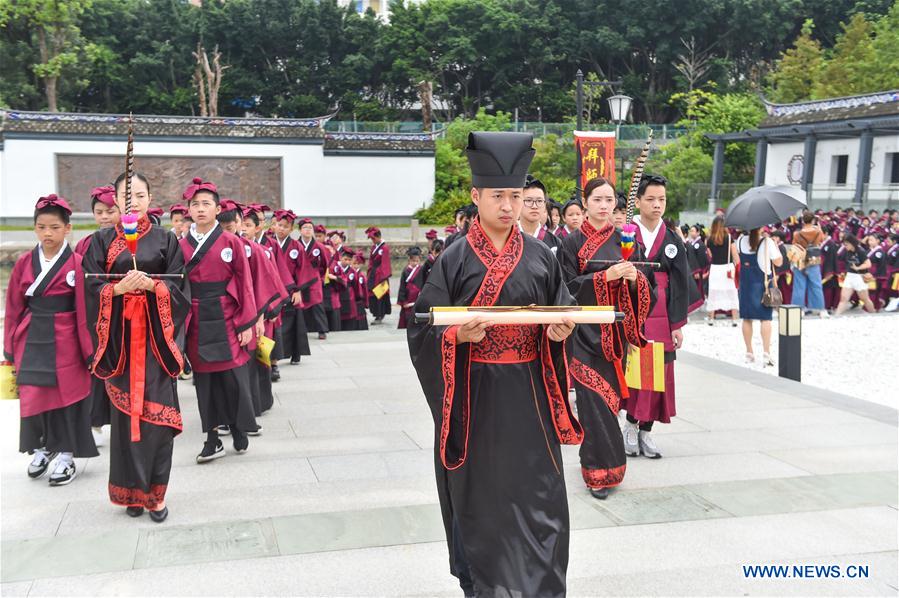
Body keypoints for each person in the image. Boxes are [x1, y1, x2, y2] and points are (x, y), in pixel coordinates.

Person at [408, 131, 580, 597]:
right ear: (476, 196)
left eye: (516, 196)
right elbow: (422, 325)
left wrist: (558, 333)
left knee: (541, 497)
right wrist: (455, 335)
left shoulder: (543, 257)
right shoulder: (453, 259)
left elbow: (559, 313)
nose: (508, 206)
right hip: (475, 397)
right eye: (498, 196)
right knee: (483, 501)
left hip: (529, 397)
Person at [83, 172, 188, 522]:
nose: (134, 202)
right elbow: (90, 287)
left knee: (156, 424)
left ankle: (156, 495)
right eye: (126, 197)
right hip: (121, 347)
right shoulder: (99, 242)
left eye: (140, 195)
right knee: (126, 422)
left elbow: (180, 288)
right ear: (115, 200)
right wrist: (117, 290)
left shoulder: (166, 239)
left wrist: (154, 287)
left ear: (149, 197)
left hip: (156, 345)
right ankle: (130, 491)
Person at [560, 177, 654, 500]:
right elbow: (566, 287)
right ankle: (598, 471)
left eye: (608, 200)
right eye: (597, 199)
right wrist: (603, 277)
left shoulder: (625, 238)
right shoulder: (571, 244)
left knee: (608, 402)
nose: (603, 205)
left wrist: (633, 279)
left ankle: (608, 463)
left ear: (615, 204)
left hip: (614, 335)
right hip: (582, 332)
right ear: (585, 203)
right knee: (591, 402)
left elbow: (647, 287)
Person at [5, 195, 97, 485]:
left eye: (55, 227)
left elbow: (84, 310)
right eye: (42, 227)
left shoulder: (77, 263)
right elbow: (14, 306)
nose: (48, 233)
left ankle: (66, 455)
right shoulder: (23, 262)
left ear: (67, 228)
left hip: (67, 336)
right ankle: (42, 448)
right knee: (34, 393)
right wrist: (9, 346)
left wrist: (89, 350)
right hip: (31, 335)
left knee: (66, 396)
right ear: (34, 228)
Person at [179, 178, 259, 463]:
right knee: (205, 381)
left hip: (226, 314)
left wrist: (247, 322)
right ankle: (212, 438)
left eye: (206, 204)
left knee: (232, 377)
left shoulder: (231, 242)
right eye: (195, 204)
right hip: (197, 316)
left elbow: (245, 282)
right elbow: (177, 286)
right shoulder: (181, 245)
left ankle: (238, 426)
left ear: (217, 208)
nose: (200, 209)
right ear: (189, 209)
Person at [624, 174, 700, 459]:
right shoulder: (627, 234)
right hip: (635, 307)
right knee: (638, 371)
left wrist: (677, 325)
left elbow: (680, 283)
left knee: (660, 374)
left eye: (662, 200)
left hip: (663, 313)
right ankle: (630, 425)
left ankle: (647, 430)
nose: (657, 205)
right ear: (639, 201)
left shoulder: (671, 239)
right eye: (651, 199)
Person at [218, 200, 286, 425]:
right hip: (226, 316)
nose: (237, 229)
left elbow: (265, 283)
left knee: (253, 362)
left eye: (235, 225)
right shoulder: (216, 248)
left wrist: (259, 317)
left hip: (254, 314)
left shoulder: (253, 249)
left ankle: (256, 405)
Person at [74, 185, 121, 445]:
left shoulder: (128, 240)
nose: (104, 217)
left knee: (120, 366)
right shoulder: (85, 243)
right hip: (95, 315)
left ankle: (120, 418)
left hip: (123, 313)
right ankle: (95, 422)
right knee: (95, 367)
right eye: (99, 212)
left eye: (110, 211)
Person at [736, 227, 782, 366]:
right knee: (765, 319)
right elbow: (778, 262)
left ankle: (749, 352)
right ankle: (766, 352)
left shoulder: (739, 241)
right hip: (763, 285)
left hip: (745, 284)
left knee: (747, 318)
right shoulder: (767, 242)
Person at [790, 211, 828, 317]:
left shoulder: (797, 234)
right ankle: (818, 308)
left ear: (802, 221)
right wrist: (818, 227)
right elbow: (822, 240)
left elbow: (794, 245)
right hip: (814, 260)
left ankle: (798, 309)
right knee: (816, 285)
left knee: (799, 286)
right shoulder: (818, 232)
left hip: (800, 261)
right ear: (813, 220)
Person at [704, 215, 739, 326]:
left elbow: (709, 256)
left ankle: (711, 318)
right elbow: (735, 256)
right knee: (731, 292)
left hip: (715, 269)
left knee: (713, 292)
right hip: (728, 268)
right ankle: (734, 319)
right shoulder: (729, 238)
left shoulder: (709, 240)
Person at [298, 218, 329, 339]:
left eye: (310, 228)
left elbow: (324, 264)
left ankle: (322, 330)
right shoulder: (295, 245)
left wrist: (318, 275)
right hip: (299, 278)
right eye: (305, 228)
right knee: (299, 304)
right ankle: (301, 330)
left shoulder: (319, 246)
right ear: (300, 230)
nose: (307, 230)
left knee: (317, 303)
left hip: (314, 278)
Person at [519, 174, 562, 255]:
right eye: (528, 201)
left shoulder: (555, 243)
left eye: (539, 201)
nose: (534, 206)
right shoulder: (505, 237)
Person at [835, 234, 876, 315]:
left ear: (851, 243)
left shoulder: (860, 251)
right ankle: (836, 316)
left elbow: (868, 264)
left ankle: (873, 313)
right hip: (850, 276)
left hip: (859, 277)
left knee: (865, 299)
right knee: (843, 299)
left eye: (846, 244)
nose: (845, 246)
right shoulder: (847, 251)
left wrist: (858, 268)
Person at [366, 227, 392, 324]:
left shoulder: (384, 248)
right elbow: (371, 261)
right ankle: (376, 314)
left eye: (374, 239)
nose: (373, 241)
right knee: (373, 294)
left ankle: (380, 315)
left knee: (380, 294)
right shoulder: (374, 247)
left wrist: (384, 277)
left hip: (381, 275)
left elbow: (385, 263)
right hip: (373, 273)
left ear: (379, 237)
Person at [397, 246, 424, 329]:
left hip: (418, 296)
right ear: (409, 260)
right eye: (413, 261)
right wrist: (403, 300)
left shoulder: (421, 270)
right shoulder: (405, 271)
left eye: (417, 261)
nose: (415, 263)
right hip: (408, 297)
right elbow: (402, 286)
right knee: (407, 316)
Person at [335, 247, 359, 331]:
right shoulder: (335, 268)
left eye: (349, 260)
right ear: (340, 257)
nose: (347, 262)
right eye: (345, 259)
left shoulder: (353, 272)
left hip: (349, 296)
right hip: (338, 293)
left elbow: (356, 286)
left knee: (350, 316)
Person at [352, 251, 370, 330]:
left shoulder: (362, 276)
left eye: (357, 264)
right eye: (354, 263)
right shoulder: (350, 274)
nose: (356, 266)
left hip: (360, 301)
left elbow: (365, 290)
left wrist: (366, 302)